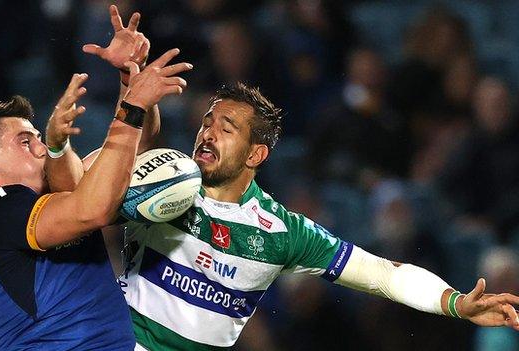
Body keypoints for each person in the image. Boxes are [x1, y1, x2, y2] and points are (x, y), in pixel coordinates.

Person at [48, 8, 519, 351]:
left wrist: (454, 303)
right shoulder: (169, 182)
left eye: (226, 128)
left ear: (257, 153)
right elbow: (134, 152)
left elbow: (381, 274)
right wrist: (137, 87)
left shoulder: (282, 232)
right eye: (207, 122)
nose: (208, 131)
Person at [0, 6, 192, 348]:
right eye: (25, 140)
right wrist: (133, 105)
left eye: (37, 136)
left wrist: (129, 78)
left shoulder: (55, 191)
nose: (39, 147)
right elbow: (93, 209)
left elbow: (138, 152)